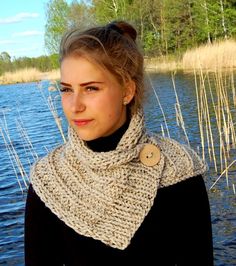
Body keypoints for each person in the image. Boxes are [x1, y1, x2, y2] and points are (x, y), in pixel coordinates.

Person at [24, 21, 214, 265]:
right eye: (67, 89)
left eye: (91, 88)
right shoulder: (49, 180)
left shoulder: (179, 171)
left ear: (127, 91)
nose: (74, 106)